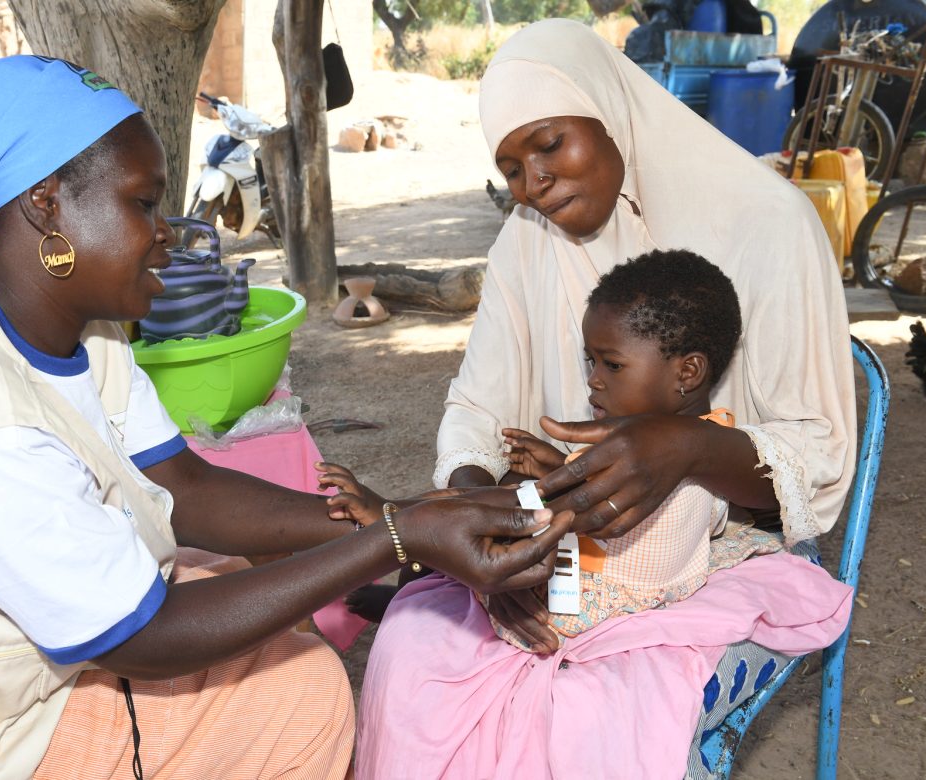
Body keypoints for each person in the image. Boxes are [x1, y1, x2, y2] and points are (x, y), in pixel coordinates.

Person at [0, 56, 572, 780]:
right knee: (298, 695)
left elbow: (181, 484)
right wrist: (398, 541)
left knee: (252, 608)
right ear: (47, 209)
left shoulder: (78, 329)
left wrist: (410, 516)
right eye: (145, 204)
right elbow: (144, 635)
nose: (170, 238)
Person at [354, 20, 856, 780]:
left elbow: (814, 461)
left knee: (600, 719)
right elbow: (479, 409)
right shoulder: (530, 236)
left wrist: (686, 446)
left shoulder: (766, 225)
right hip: (553, 537)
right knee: (415, 647)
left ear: (608, 106)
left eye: (549, 143)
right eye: (511, 167)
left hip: (705, 550)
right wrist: (485, 537)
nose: (534, 183)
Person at [492, 248, 786, 649]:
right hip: (641, 586)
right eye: (589, 361)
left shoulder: (657, 459)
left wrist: (531, 489)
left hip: (593, 603)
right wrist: (562, 465)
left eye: (611, 365)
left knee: (473, 554)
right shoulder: (718, 437)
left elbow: (561, 521)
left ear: (688, 372)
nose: (593, 380)